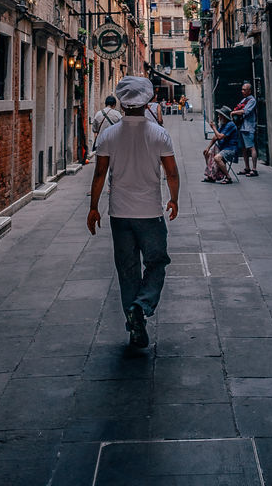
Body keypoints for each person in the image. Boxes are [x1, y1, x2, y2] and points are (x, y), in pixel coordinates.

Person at [87, 75, 179, 349]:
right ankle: (142, 305)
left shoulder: (108, 135)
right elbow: (171, 172)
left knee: (127, 271)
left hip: (119, 213)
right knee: (157, 262)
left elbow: (100, 173)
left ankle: (134, 322)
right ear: (148, 101)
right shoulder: (159, 134)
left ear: (123, 104)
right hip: (150, 212)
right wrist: (174, 199)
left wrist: (93, 208)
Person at [203, 106, 240, 183]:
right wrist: (208, 148)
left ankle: (228, 177)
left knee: (217, 158)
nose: (218, 116)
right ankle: (211, 175)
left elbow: (219, 137)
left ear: (223, 116)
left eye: (220, 115)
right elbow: (215, 138)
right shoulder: (223, 125)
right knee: (207, 153)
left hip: (230, 149)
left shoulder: (230, 125)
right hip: (222, 147)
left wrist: (213, 128)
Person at [232, 81, 258, 176]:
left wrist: (234, 113)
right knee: (243, 149)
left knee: (251, 147)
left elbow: (245, 111)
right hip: (242, 127)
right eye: (242, 89)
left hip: (248, 127)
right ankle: (247, 167)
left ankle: (254, 169)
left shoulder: (252, 100)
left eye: (244, 90)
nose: (242, 91)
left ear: (249, 91)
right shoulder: (244, 100)